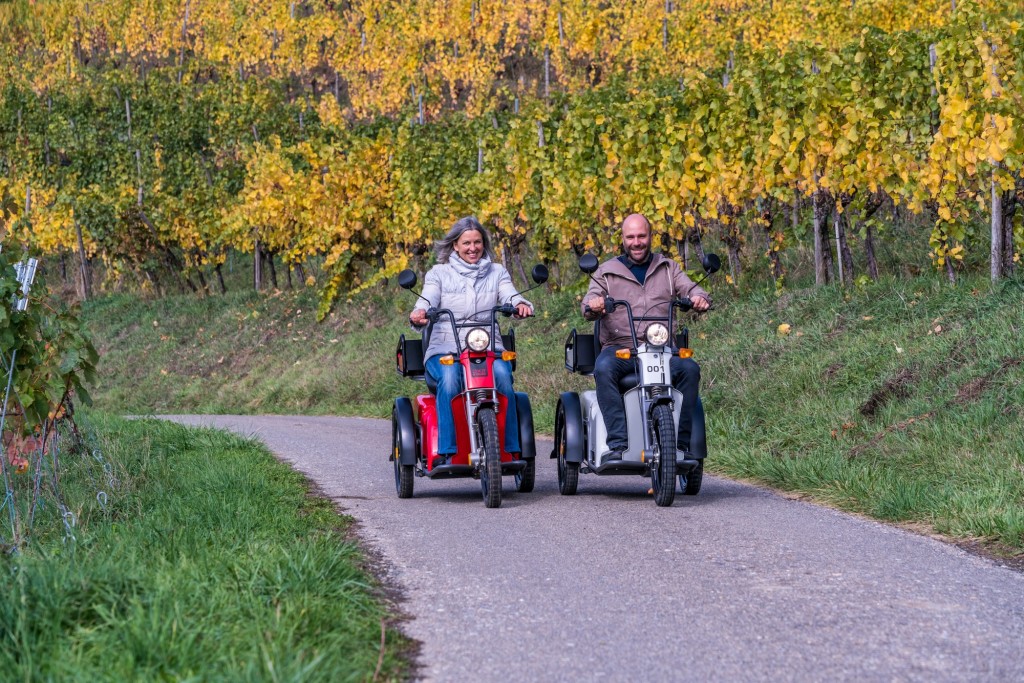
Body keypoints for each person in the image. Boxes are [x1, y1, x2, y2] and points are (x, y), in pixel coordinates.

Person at [581, 213, 711, 458]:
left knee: (690, 369)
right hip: (622, 348)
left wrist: (699, 298)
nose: (636, 242)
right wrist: (594, 304)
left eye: (641, 236)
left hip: (662, 348)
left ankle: (682, 444)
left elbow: (690, 287)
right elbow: (589, 302)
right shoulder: (606, 272)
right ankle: (618, 443)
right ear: (623, 239)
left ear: (651, 237)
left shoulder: (668, 267)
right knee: (604, 368)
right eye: (631, 237)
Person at [410, 216, 534, 462]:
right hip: (445, 349)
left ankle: (510, 448)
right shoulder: (439, 273)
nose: (473, 248)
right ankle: (448, 450)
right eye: (466, 243)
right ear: (455, 245)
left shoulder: (497, 272)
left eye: (477, 242)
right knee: (450, 377)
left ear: (484, 244)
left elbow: (510, 294)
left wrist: (520, 304)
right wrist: (420, 312)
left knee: (502, 375)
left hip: (488, 349)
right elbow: (428, 298)